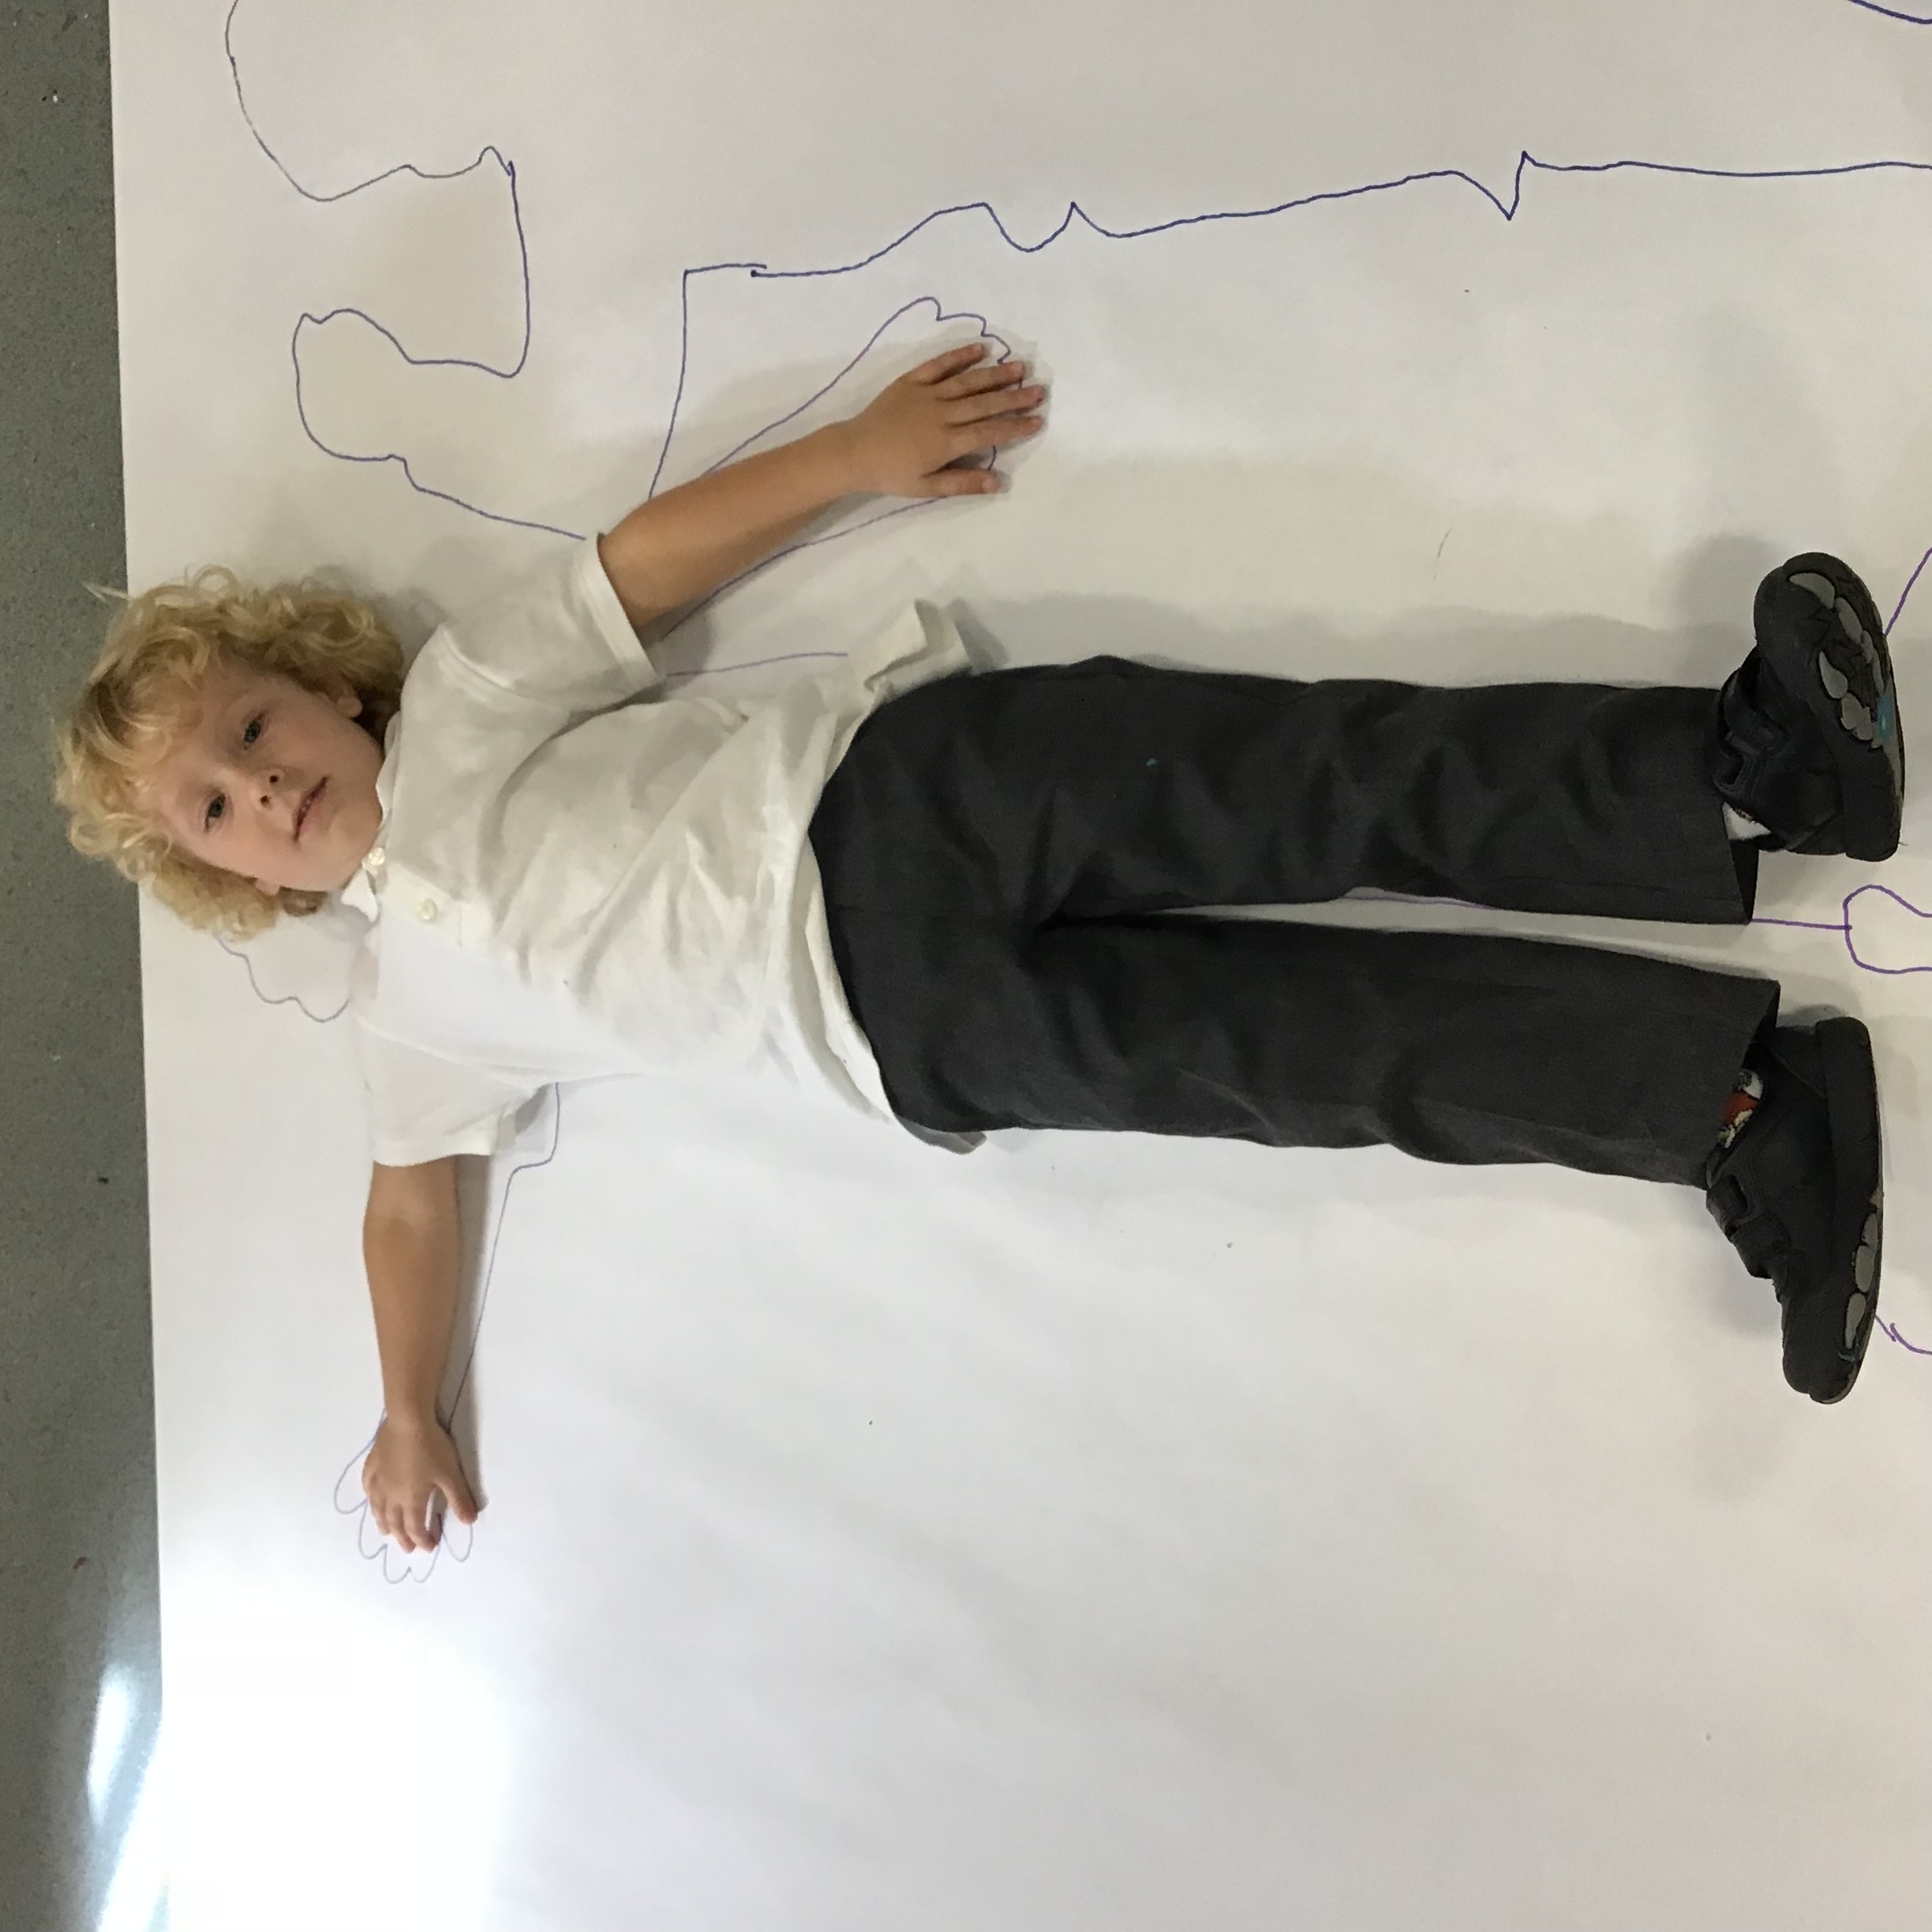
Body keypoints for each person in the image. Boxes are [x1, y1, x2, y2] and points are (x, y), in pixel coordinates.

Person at [55, 344, 1900, 1556]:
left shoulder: (462, 702)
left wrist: (854, 457)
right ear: (222, 878)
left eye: (252, 727)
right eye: (213, 808)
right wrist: (402, 1407)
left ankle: (1748, 773)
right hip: (910, 1035)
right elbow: (407, 1210)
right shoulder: (408, 1021)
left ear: (319, 682)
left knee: (1322, 778)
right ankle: (1740, 1109)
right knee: (1325, 1054)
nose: (259, 784)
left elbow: (639, 567)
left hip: (910, 796)